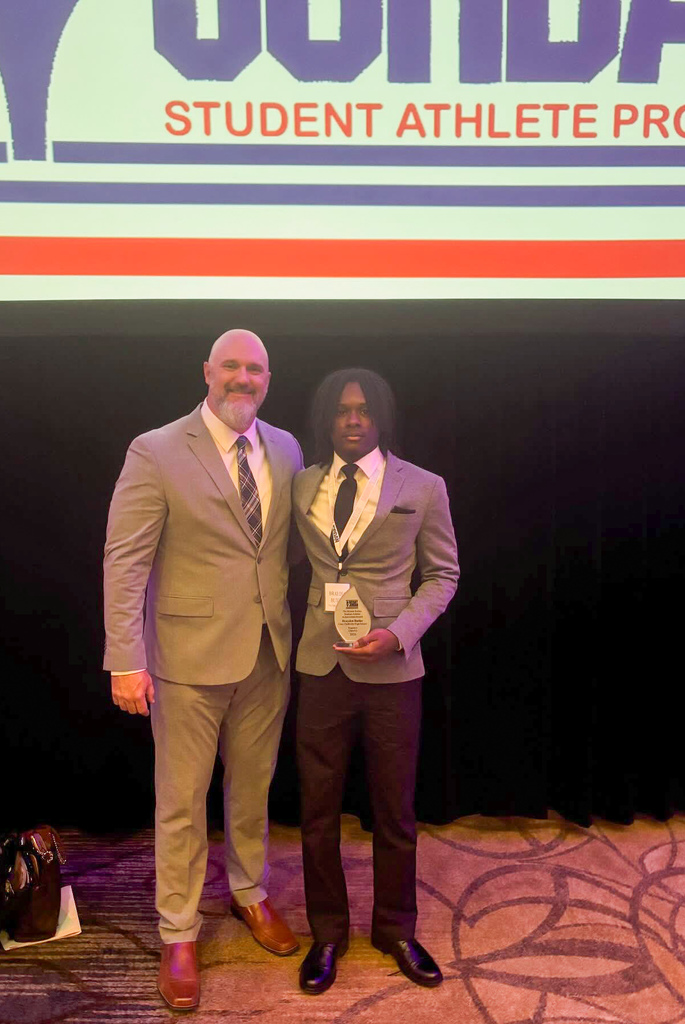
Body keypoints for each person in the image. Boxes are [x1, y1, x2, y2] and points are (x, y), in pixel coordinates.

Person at [103, 329, 304, 1011]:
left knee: (253, 789)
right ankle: (179, 931)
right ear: (206, 373)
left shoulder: (286, 448)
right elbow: (125, 561)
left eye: (255, 368)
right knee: (182, 803)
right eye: (231, 367)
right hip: (185, 661)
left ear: (267, 379)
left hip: (267, 654)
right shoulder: (155, 450)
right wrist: (124, 660)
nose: (242, 378)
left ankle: (250, 892)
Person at [292, 368, 459, 995]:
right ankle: (327, 932)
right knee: (317, 810)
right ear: (326, 420)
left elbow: (443, 575)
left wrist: (399, 632)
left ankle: (395, 929)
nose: (353, 420)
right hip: (320, 665)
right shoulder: (300, 484)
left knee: (394, 811)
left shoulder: (426, 486)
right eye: (341, 411)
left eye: (363, 410)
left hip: (392, 669)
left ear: (380, 416)